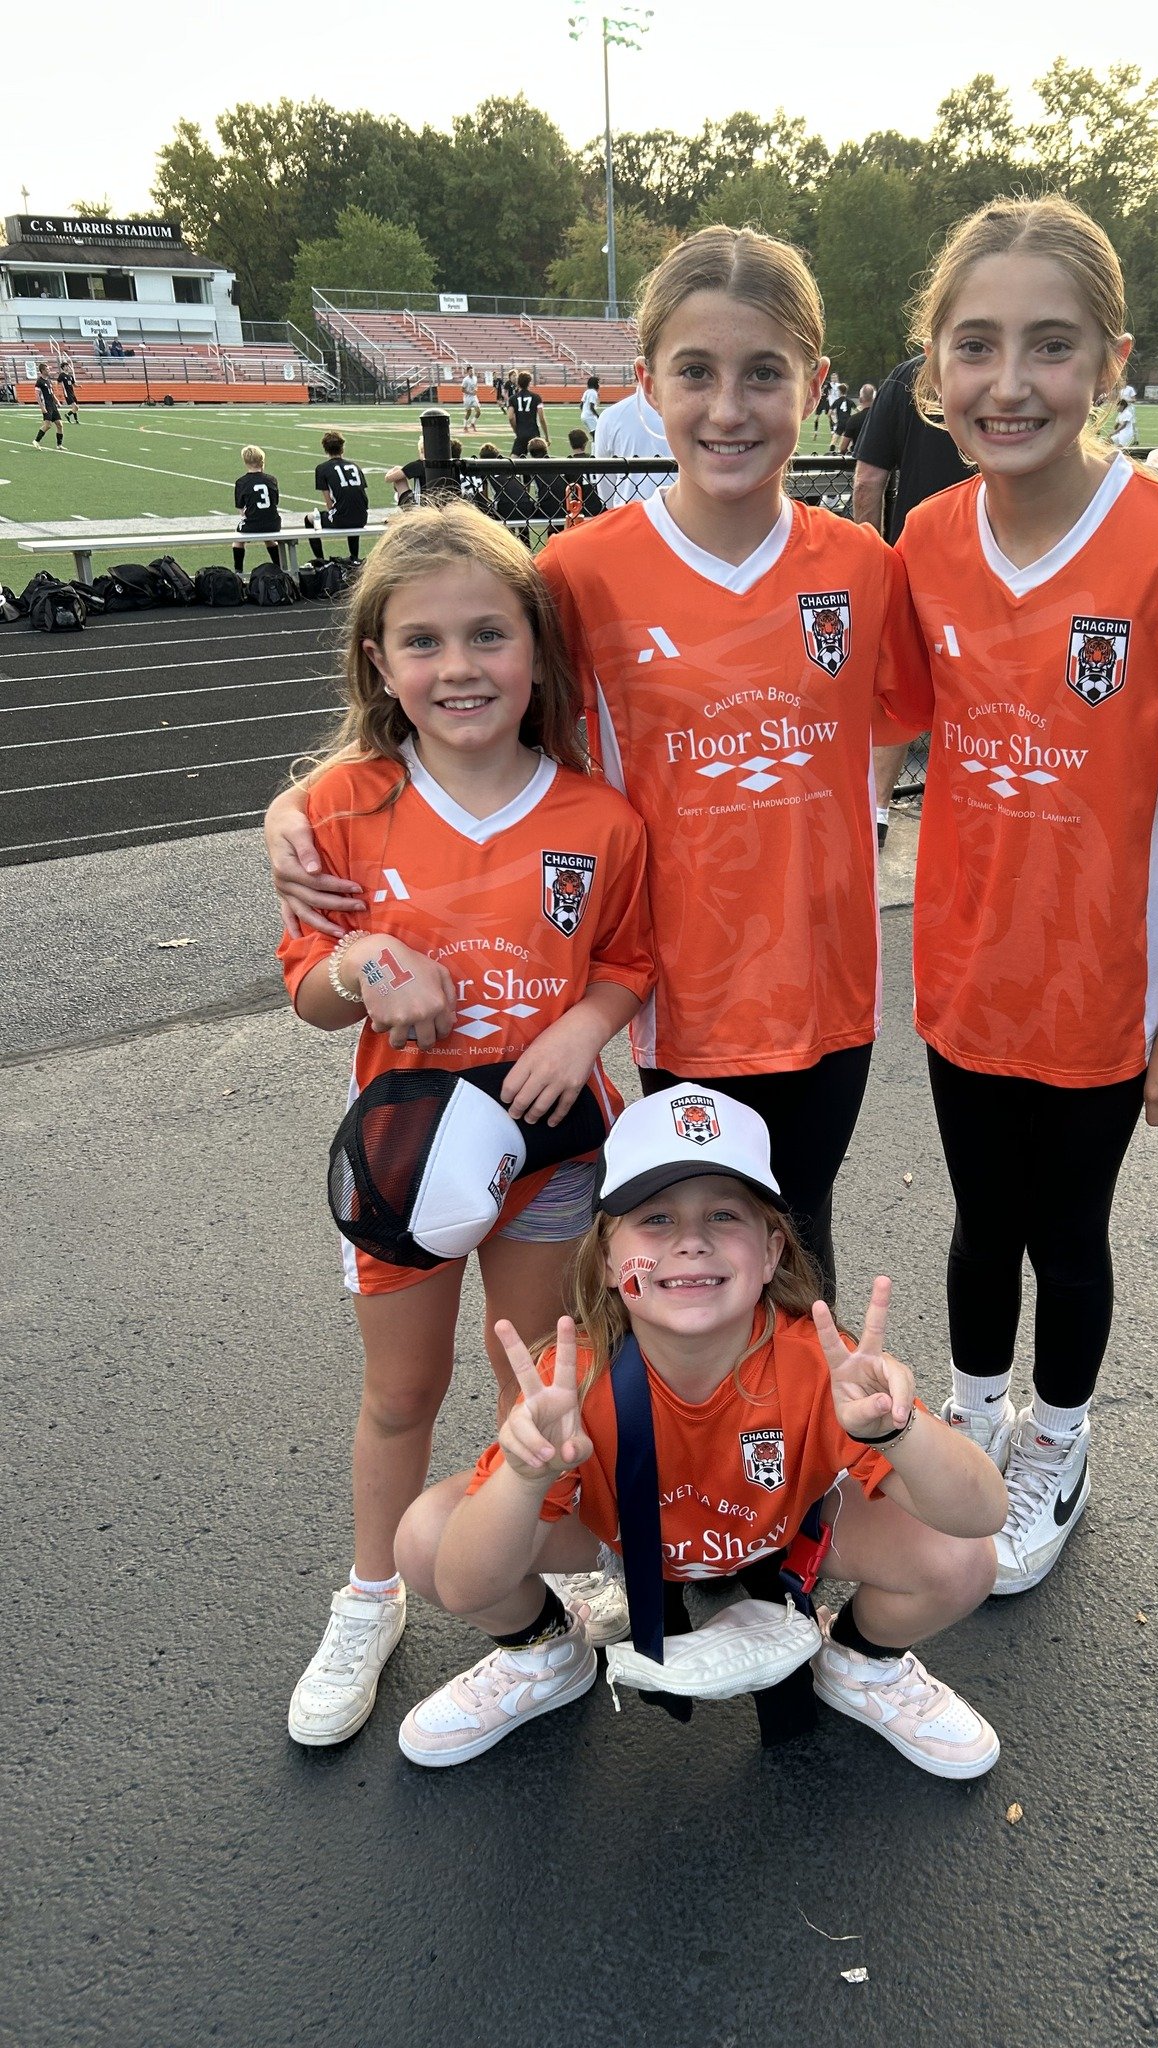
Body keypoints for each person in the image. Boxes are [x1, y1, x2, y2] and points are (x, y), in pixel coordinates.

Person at [266, 225, 929, 1301]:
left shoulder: (862, 566)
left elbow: (899, 715)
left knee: (801, 1239)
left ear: (814, 384)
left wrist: (863, 819)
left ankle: (807, 1415)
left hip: (829, 983)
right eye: (696, 373)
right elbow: (458, 708)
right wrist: (295, 802)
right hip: (676, 989)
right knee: (697, 1256)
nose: (728, 408)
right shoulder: (580, 573)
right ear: (647, 382)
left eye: (764, 374)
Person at [896, 195, 1158, 1598]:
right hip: (965, 973)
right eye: (977, 345)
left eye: (1050, 346)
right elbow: (835, 719)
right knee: (975, 1224)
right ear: (935, 365)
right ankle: (972, 1421)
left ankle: (1057, 1443)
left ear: (1113, 363)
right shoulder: (925, 539)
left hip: (1105, 994)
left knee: (1066, 1235)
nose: (1011, 382)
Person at [276, 502, 654, 1747]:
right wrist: (367, 960)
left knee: (535, 1378)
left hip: (553, 1151)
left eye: (488, 634)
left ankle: (537, 1568)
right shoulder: (343, 806)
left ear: (536, 649)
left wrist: (583, 1026)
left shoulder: (598, 818)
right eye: (423, 641)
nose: (459, 666)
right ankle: (370, 1593)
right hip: (404, 1163)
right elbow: (310, 988)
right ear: (379, 663)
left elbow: (628, 960)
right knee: (403, 1390)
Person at [392, 1085, 1005, 1777]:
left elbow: (983, 1515)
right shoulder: (573, 1383)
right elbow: (464, 1584)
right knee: (426, 1538)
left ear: (771, 1253)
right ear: (605, 1259)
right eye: (655, 1218)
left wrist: (898, 1432)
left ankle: (863, 1661)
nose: (691, 1240)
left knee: (963, 1562)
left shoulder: (817, 1364)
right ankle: (544, 1652)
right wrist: (527, 1477)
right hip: (616, 1537)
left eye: (723, 1214)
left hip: (785, 1529)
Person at [853, 355, 973, 849]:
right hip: (1006, 554)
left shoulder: (908, 375)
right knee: (983, 692)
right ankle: (975, 805)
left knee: (901, 684)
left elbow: (867, 479)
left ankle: (877, 808)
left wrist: (874, 561)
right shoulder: (1006, 370)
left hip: (917, 558)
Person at [591, 378, 673, 504]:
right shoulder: (611, 416)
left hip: (628, 506)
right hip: (679, 511)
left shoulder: (611, 416)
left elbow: (605, 487)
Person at [306, 429, 370, 562]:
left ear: (325, 449)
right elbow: (360, 495)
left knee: (309, 518)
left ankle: (321, 560)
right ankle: (354, 556)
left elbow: (329, 504)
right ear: (342, 448)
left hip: (341, 519)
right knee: (352, 509)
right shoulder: (355, 466)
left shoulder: (322, 468)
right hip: (362, 518)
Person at [232, 444, 281, 572]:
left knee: (237, 540)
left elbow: (241, 509)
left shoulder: (241, 482)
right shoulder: (272, 480)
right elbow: (275, 502)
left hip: (252, 524)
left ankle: (238, 571)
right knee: (270, 540)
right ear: (262, 461)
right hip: (273, 524)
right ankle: (279, 567)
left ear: (245, 462)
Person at [507, 371, 547, 456]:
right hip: (534, 433)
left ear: (518, 383)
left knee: (514, 459)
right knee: (540, 459)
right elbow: (541, 418)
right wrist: (546, 436)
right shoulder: (536, 397)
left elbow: (510, 417)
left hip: (521, 433)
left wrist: (516, 430)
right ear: (529, 383)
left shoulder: (512, 398)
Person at [32, 366, 64, 448]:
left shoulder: (49, 381)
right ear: (42, 370)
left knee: (59, 424)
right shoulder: (39, 382)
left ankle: (59, 445)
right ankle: (36, 441)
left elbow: (52, 393)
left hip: (52, 404)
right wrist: (42, 407)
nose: (49, 370)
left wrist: (57, 401)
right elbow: (37, 395)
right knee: (48, 425)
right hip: (46, 405)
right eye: (47, 369)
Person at [55, 353, 80, 424]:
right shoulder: (62, 375)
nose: (67, 367)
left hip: (72, 393)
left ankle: (76, 420)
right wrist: (58, 391)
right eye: (66, 366)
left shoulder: (70, 376)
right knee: (76, 407)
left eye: (67, 366)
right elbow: (57, 383)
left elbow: (74, 384)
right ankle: (67, 415)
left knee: (75, 407)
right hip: (67, 393)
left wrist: (78, 386)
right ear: (63, 368)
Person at [461, 366, 481, 431]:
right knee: (468, 413)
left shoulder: (475, 378)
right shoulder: (465, 380)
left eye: (472, 371)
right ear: (467, 372)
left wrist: (476, 390)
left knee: (478, 411)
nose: (472, 372)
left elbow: (476, 386)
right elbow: (462, 389)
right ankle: (465, 426)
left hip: (474, 397)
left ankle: (472, 422)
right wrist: (470, 392)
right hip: (467, 398)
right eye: (470, 371)